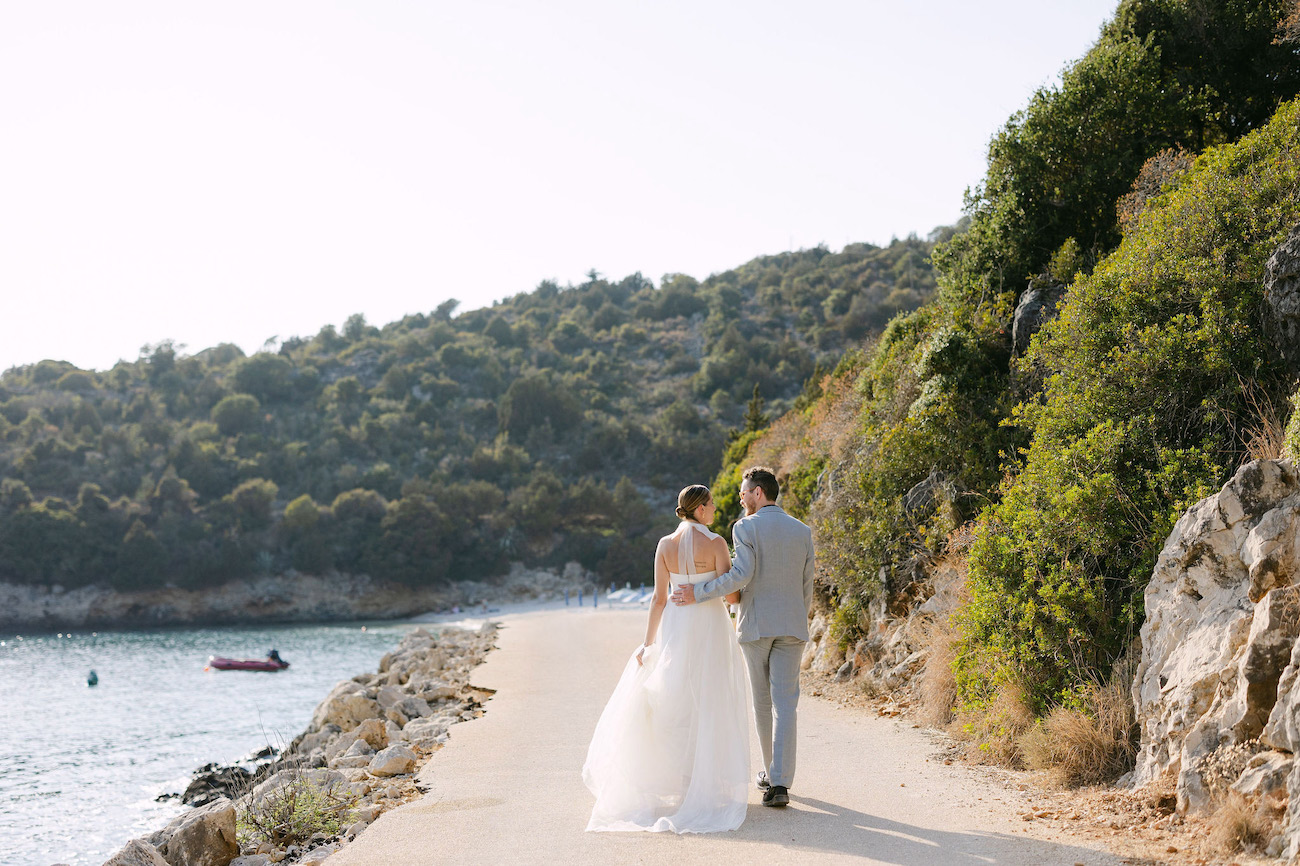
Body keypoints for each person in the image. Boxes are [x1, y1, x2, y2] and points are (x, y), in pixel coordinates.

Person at [582, 484, 751, 833]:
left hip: (675, 626)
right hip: (709, 627)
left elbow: (659, 599)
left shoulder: (664, 545)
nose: (716, 509)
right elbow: (732, 596)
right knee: (710, 697)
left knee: (675, 698)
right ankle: (700, 784)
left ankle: (683, 782)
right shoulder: (718, 543)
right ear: (700, 509)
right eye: (712, 505)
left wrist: (647, 644)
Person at [670, 466, 815, 808]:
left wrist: (700, 592)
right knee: (786, 704)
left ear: (758, 494)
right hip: (793, 626)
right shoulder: (802, 530)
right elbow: (807, 584)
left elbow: (741, 574)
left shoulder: (745, 527)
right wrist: (797, 616)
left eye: (743, 492)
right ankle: (779, 781)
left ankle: (772, 774)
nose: (740, 498)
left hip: (755, 626)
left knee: (763, 703)